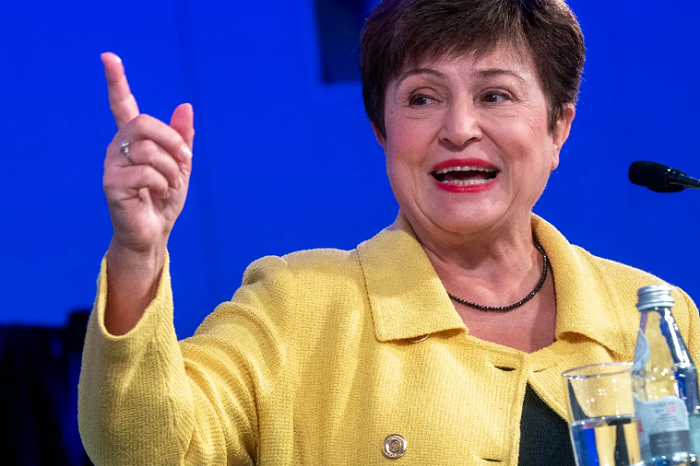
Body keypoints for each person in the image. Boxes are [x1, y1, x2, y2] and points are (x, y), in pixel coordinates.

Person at [78, 0, 700, 464]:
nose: (459, 128)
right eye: (423, 98)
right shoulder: (294, 306)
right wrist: (139, 253)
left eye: (495, 95)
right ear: (382, 131)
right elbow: (146, 450)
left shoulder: (657, 315)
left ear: (558, 128)